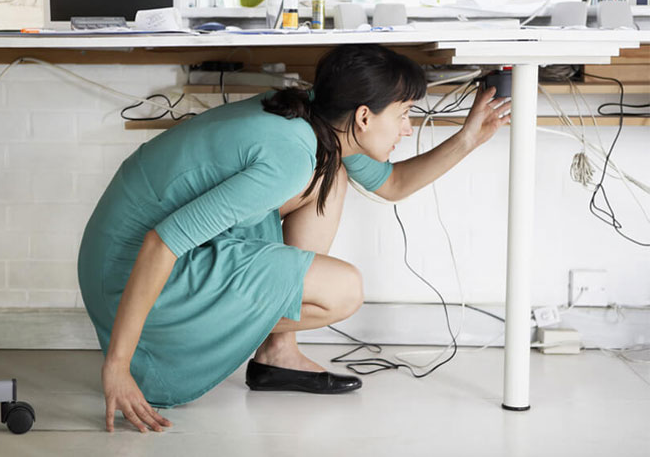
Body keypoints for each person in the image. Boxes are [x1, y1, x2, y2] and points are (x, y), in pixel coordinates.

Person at [77, 44, 511, 433]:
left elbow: (392, 184)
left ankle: (277, 355)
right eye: (403, 114)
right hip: (130, 273)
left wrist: (468, 138)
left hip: (131, 255)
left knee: (333, 175)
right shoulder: (290, 157)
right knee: (344, 292)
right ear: (363, 117)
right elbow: (162, 242)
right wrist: (117, 366)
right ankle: (180, 341)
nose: (407, 129)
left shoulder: (312, 117)